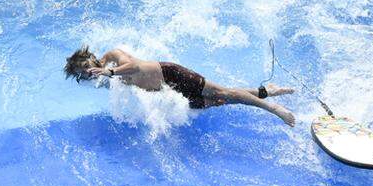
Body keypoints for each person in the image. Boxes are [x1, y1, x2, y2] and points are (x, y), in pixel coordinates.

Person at [64, 46, 296, 126]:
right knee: (219, 100)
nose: (86, 73)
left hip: (171, 74)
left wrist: (110, 71)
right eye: (81, 74)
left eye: (85, 66)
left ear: (91, 57)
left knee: (223, 92)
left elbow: (133, 66)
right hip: (170, 92)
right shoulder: (102, 82)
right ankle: (267, 91)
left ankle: (274, 109)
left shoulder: (112, 57)